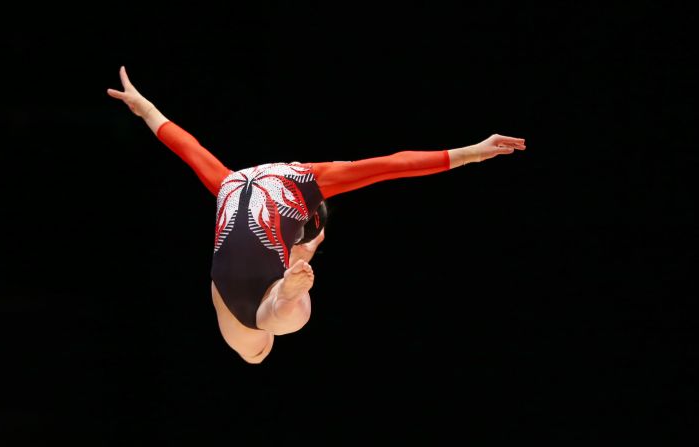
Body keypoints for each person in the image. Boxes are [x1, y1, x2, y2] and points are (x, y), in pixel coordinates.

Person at [107, 66, 526, 364]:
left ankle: (284, 297)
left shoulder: (230, 182)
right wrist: (469, 153)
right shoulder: (301, 183)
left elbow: (185, 144)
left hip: (232, 288)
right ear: (312, 220)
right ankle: (285, 296)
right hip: (248, 288)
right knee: (261, 343)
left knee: (257, 345)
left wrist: (145, 108)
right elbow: (392, 165)